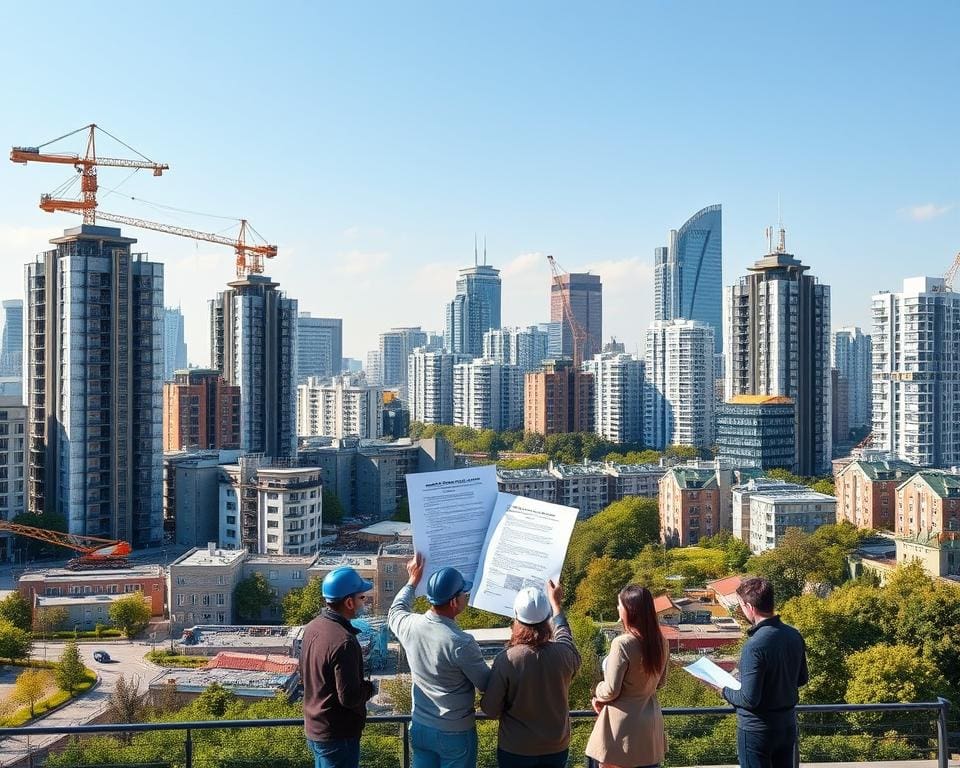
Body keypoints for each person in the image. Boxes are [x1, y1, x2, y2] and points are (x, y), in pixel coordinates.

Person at [388, 553, 491, 768]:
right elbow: (487, 684)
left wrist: (412, 581)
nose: (467, 597)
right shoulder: (461, 642)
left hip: (420, 726)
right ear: (454, 601)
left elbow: (395, 610)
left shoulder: (410, 626)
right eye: (465, 593)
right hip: (454, 732)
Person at [480, 580, 582, 768]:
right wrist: (556, 604)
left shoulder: (507, 659)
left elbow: (490, 708)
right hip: (556, 747)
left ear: (516, 618)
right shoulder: (565, 654)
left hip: (516, 749)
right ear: (547, 620)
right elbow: (565, 635)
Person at [721, 576, 809, 768]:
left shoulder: (754, 645)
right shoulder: (793, 635)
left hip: (757, 730)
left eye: (740, 606)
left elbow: (749, 699)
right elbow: (802, 679)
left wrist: (722, 689)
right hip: (786, 725)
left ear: (749, 607)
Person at [585, 584, 669, 768]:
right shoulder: (661, 641)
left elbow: (611, 690)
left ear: (629, 610)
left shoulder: (622, 643)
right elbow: (660, 682)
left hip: (621, 730)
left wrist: (597, 691)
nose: (617, 608)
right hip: (650, 727)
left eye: (619, 605)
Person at [300, 566, 376, 768]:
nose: (364, 602)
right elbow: (349, 697)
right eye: (362, 597)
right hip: (337, 735)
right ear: (349, 602)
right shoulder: (344, 641)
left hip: (316, 727)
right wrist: (371, 689)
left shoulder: (313, 626)